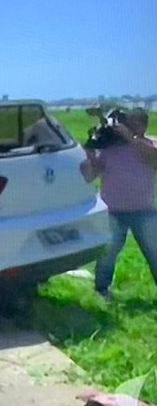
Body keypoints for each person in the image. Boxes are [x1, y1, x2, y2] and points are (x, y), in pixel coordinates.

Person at [80, 107, 157, 300]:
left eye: (136, 125)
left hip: (144, 211)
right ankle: (101, 291)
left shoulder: (151, 143)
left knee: (155, 253)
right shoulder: (110, 148)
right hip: (112, 211)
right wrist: (89, 151)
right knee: (107, 254)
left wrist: (131, 138)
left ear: (144, 126)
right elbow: (90, 175)